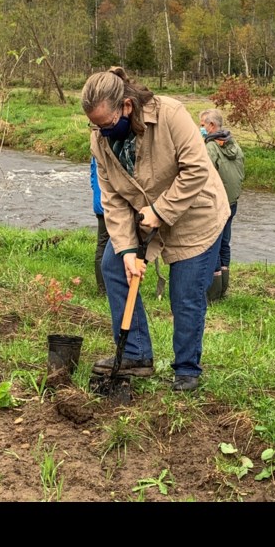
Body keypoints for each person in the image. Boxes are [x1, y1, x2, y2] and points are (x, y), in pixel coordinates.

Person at [82, 67, 229, 392]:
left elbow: (196, 171)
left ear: (127, 107)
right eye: (95, 125)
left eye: (106, 124)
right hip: (142, 211)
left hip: (195, 212)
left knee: (185, 293)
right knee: (114, 264)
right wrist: (128, 250)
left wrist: (161, 211)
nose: (101, 132)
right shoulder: (101, 140)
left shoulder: (170, 114)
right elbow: (113, 197)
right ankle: (135, 355)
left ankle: (186, 370)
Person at [199, 109, 245, 302]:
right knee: (224, 243)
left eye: (202, 125)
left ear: (211, 126)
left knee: (213, 245)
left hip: (217, 204)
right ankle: (223, 287)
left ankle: (212, 293)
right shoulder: (233, 143)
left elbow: (203, 175)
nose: (200, 128)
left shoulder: (210, 147)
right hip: (232, 201)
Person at [91, 156, 109, 295]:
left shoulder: (95, 153)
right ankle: (105, 289)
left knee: (102, 246)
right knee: (106, 246)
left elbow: (92, 179)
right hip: (109, 206)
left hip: (99, 203)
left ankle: (102, 288)